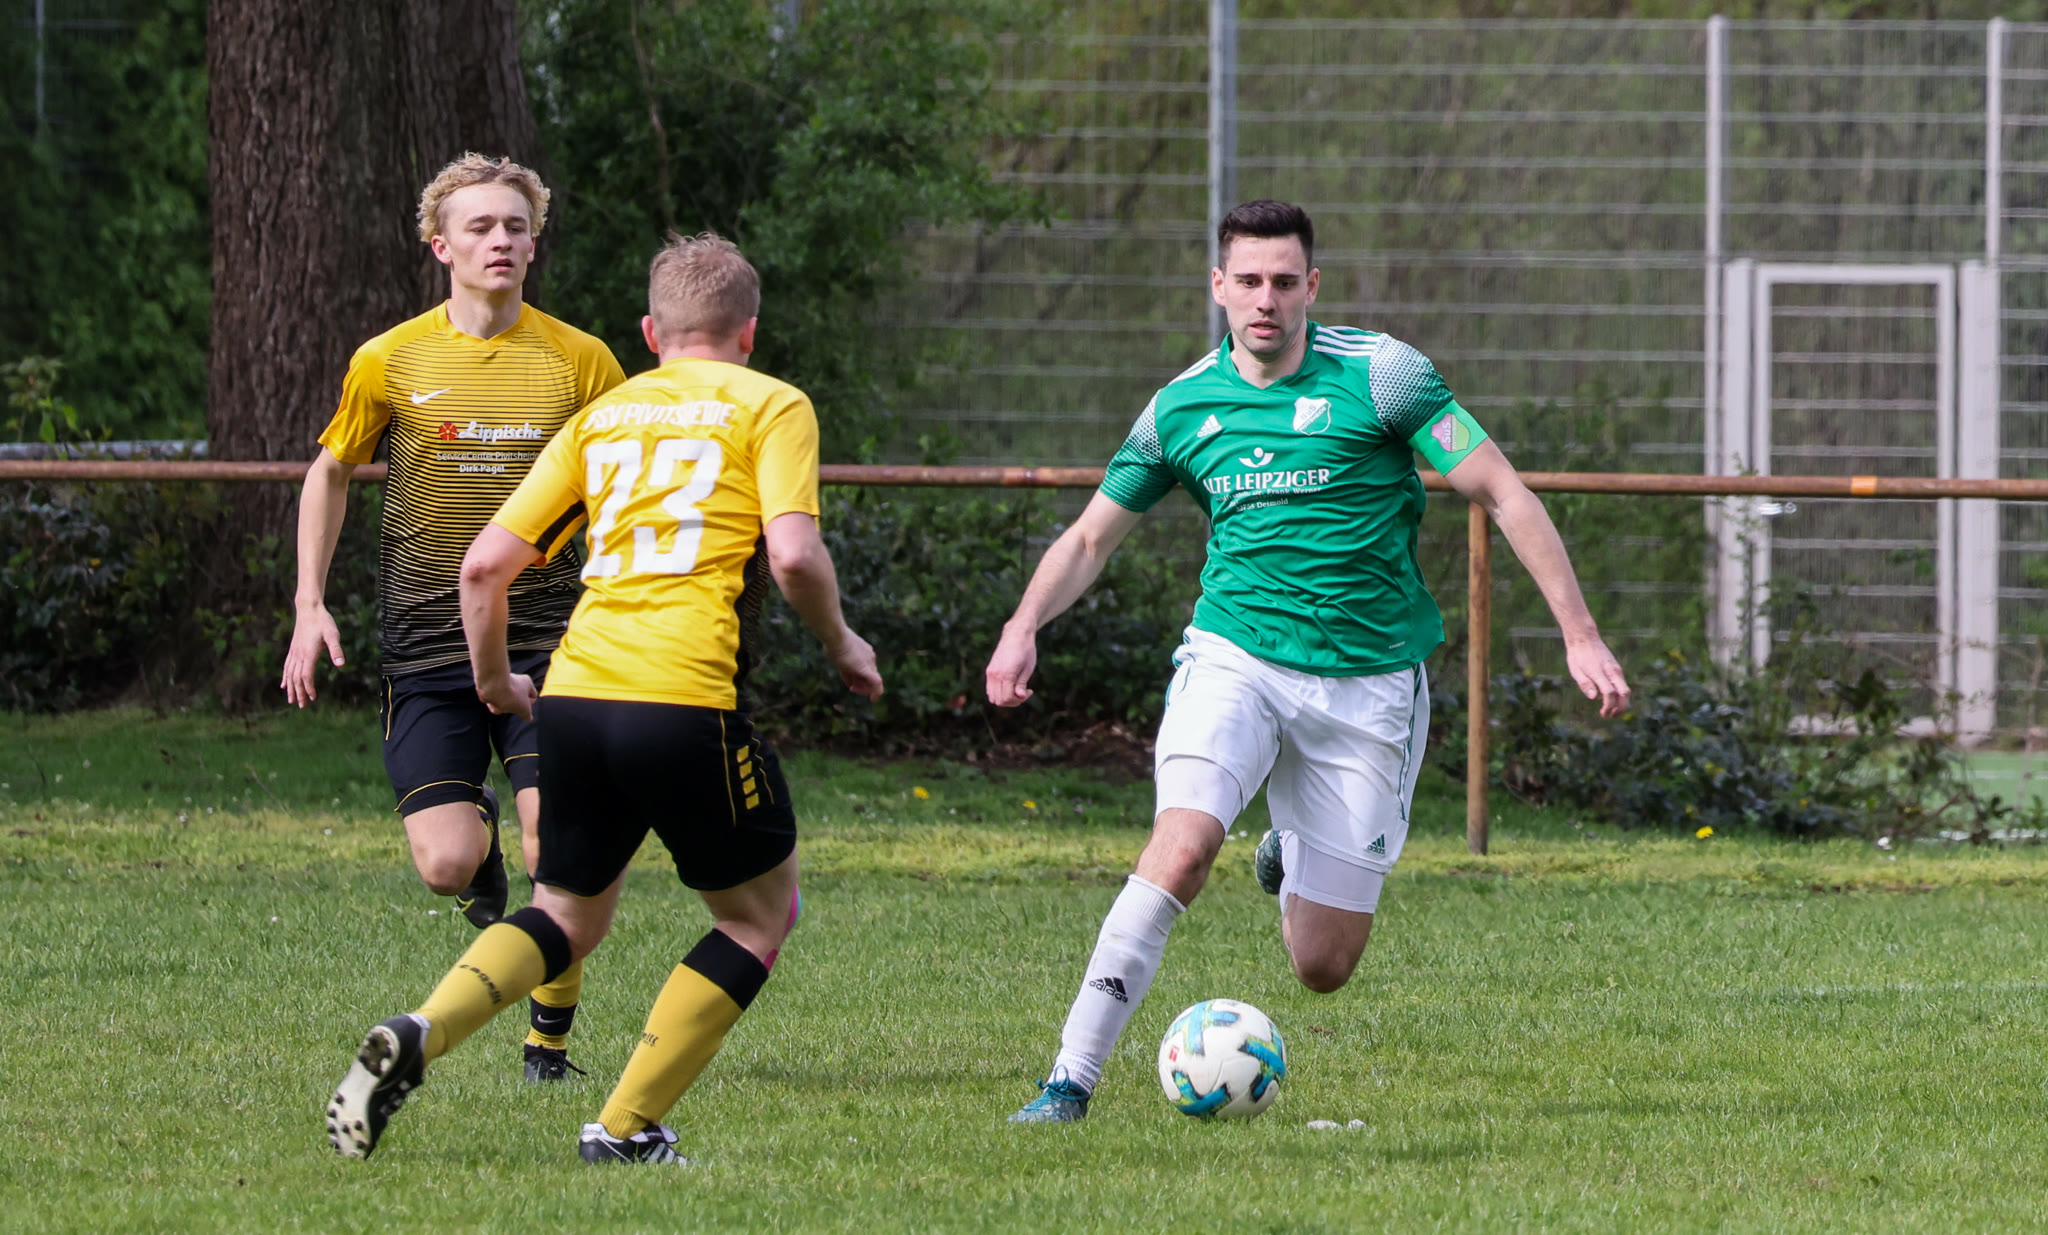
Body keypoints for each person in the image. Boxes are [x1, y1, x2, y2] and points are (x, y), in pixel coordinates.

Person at [985, 200, 1632, 1123]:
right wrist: (1023, 624)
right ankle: (1067, 1082)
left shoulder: (1384, 376)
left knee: (1322, 966)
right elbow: (1091, 537)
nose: (1266, 299)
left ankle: (1286, 852)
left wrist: (1580, 632)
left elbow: (1501, 490)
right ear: (1218, 286)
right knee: (1182, 847)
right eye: (1248, 281)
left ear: (1312, 287)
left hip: (1370, 683)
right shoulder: (1180, 408)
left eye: (1285, 282)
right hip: (1235, 659)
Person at [325, 231, 883, 1165]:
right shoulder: (773, 403)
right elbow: (791, 553)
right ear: (749, 331)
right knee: (757, 915)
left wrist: (495, 680)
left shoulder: (604, 415)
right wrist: (842, 641)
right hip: (684, 695)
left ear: (650, 334)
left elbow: (483, 567)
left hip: (576, 694)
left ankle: (422, 1028)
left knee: (566, 914)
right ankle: (625, 1127)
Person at [281, 153, 625, 1081]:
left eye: (516, 226)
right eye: (480, 226)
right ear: (441, 246)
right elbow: (330, 472)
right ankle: (480, 856)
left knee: (560, 848)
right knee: (445, 863)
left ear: (534, 242)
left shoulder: (583, 360)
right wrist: (309, 604)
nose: (500, 240)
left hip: (553, 650)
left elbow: (620, 487)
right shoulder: (390, 358)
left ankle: (548, 1041)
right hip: (430, 651)